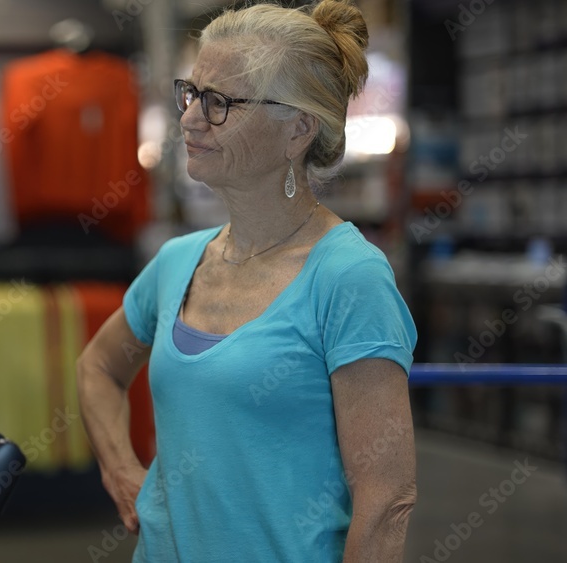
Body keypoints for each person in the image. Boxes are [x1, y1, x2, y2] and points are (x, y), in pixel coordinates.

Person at [76, 1, 418, 561]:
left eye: (220, 103)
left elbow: (385, 504)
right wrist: (119, 469)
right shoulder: (177, 262)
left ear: (297, 130)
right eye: (191, 93)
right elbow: (98, 367)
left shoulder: (348, 278)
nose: (190, 119)